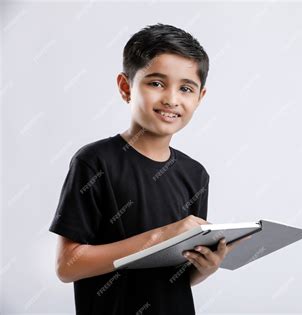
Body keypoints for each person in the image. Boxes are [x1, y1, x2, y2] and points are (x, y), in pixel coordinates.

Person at [49, 22, 247, 314]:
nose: (171, 98)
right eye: (156, 83)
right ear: (125, 86)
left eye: (186, 88)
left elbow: (178, 274)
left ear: (199, 97)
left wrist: (207, 266)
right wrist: (158, 237)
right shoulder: (94, 161)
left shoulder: (195, 174)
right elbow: (67, 266)